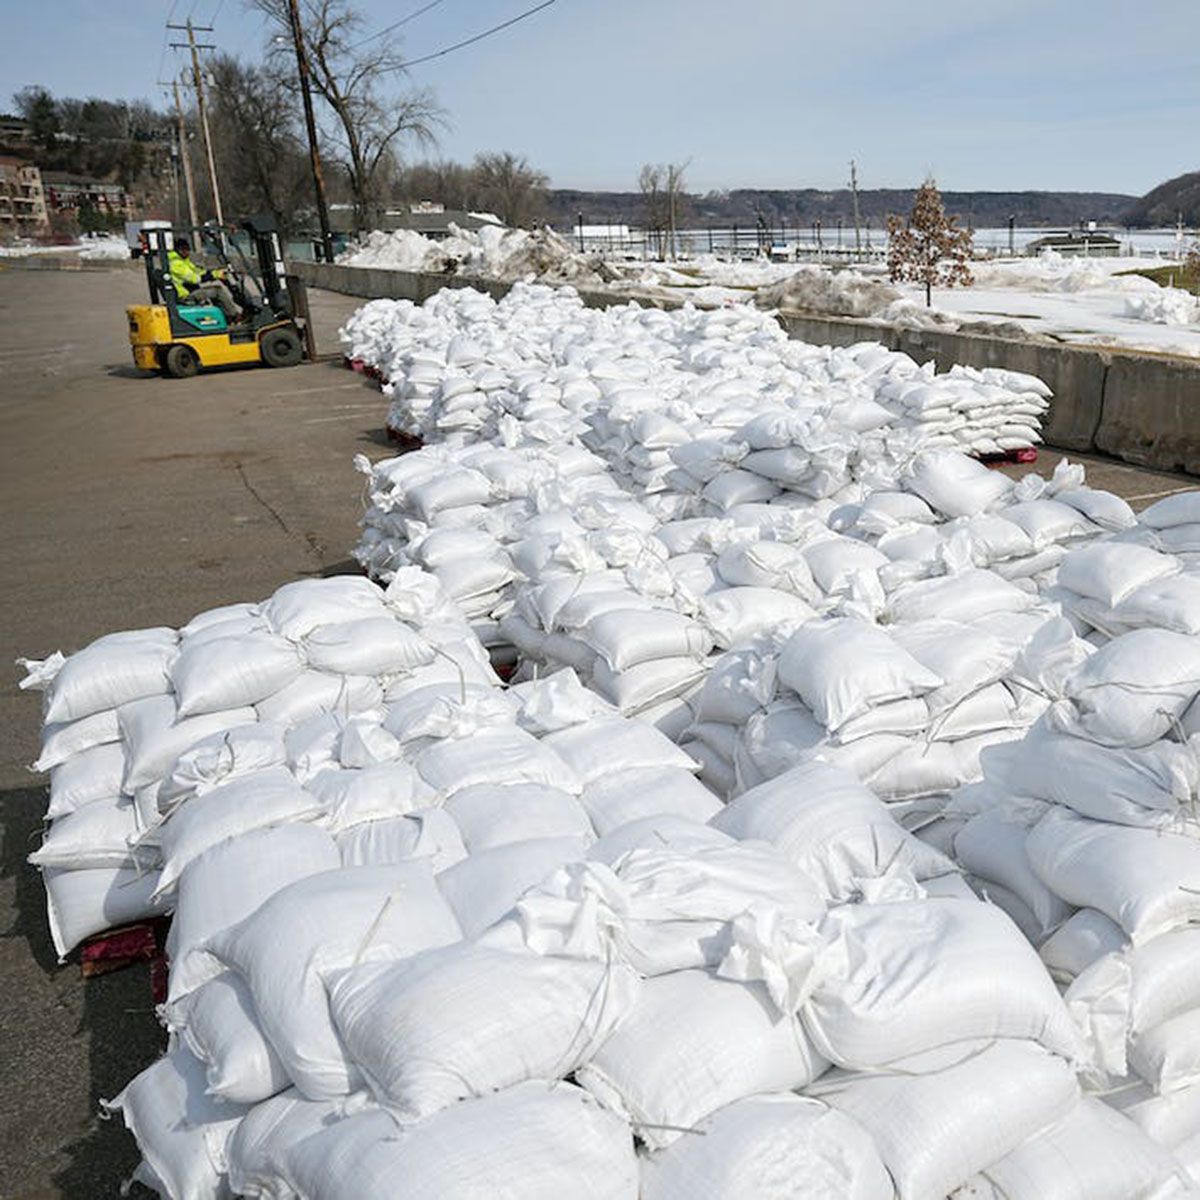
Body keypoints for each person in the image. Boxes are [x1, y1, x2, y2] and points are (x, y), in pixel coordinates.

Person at [167, 237, 240, 321]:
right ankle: (233, 315)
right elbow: (195, 279)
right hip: (186, 296)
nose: (188, 252)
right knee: (217, 291)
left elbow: (198, 271)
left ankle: (226, 317)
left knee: (213, 292)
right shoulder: (176, 264)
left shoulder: (183, 261)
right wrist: (214, 275)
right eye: (186, 250)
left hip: (188, 291)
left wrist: (214, 272)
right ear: (180, 250)